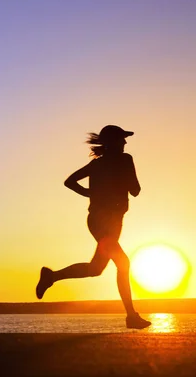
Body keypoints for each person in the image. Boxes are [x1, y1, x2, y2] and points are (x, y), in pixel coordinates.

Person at [36, 125, 151, 329]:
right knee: (123, 263)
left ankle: (52, 276)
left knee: (96, 269)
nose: (125, 143)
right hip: (103, 220)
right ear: (113, 142)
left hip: (107, 220)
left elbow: (70, 182)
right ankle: (131, 316)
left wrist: (91, 193)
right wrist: (94, 193)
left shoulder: (97, 164)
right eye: (122, 139)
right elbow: (135, 190)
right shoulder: (125, 160)